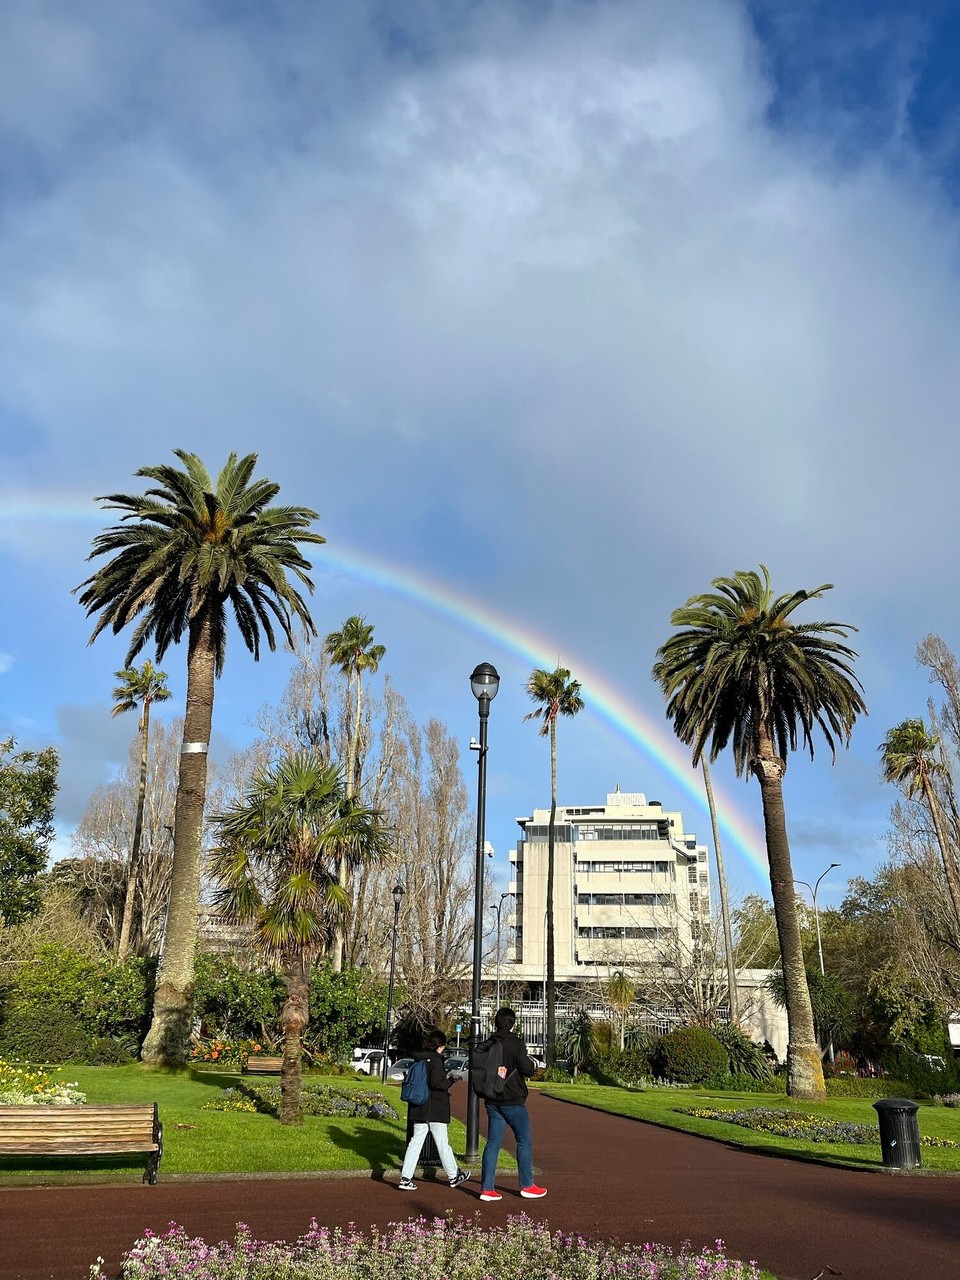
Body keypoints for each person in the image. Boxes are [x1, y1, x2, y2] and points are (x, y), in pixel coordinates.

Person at [478, 1007, 547, 1201]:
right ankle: (527, 1184)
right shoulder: (516, 1043)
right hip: (512, 1099)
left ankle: (487, 1188)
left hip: (492, 1098)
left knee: (493, 1143)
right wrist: (534, 1066)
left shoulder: (489, 1042)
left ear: (496, 1022)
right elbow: (525, 1067)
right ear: (512, 1023)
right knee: (523, 1140)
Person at [398, 1028, 470, 1191]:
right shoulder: (436, 1061)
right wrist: (451, 1080)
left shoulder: (419, 1059)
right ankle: (453, 1176)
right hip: (435, 1107)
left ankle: (405, 1177)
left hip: (419, 1106)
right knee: (443, 1144)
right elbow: (437, 1084)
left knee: (415, 1143)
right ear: (440, 1046)